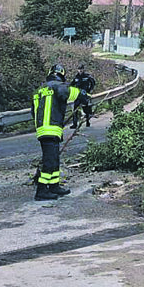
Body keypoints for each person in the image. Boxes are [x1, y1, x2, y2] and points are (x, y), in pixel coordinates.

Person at [32, 64, 91, 201]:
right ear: (62, 75)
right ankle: (41, 190)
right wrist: (83, 95)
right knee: (50, 161)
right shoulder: (57, 86)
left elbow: (32, 112)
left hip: (43, 129)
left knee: (54, 160)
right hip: (51, 129)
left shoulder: (39, 90)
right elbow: (68, 92)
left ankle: (54, 186)